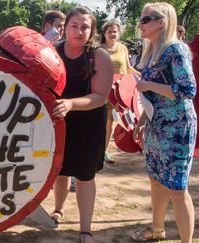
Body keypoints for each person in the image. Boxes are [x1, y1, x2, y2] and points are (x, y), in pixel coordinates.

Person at [131, 2, 196, 242]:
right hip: (155, 124)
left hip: (177, 126)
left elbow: (188, 89)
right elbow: (151, 96)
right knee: (156, 180)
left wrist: (148, 84)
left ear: (162, 22)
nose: (140, 23)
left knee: (177, 189)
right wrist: (140, 123)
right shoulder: (152, 51)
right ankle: (157, 229)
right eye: (141, 19)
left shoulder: (176, 49)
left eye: (146, 19)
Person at [51, 6, 113, 243]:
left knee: (85, 177)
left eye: (85, 27)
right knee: (61, 171)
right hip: (60, 122)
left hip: (89, 124)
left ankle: (85, 228)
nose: (79, 31)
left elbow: (100, 97)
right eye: (74, 26)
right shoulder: (53, 51)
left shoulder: (99, 56)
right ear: (65, 28)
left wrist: (70, 104)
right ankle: (58, 209)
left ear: (92, 30)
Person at [100, 20, 141, 164]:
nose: (112, 34)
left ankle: (103, 151)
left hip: (119, 92)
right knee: (101, 121)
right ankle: (96, 150)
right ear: (104, 33)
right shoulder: (99, 49)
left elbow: (128, 68)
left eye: (115, 31)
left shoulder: (123, 48)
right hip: (103, 91)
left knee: (111, 121)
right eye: (109, 31)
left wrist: (142, 76)